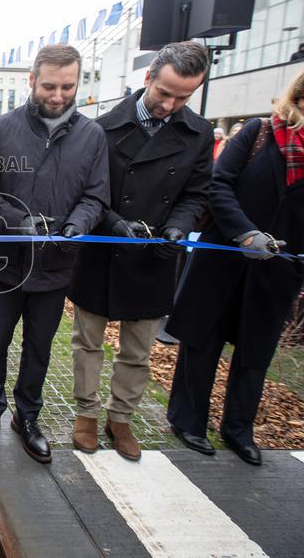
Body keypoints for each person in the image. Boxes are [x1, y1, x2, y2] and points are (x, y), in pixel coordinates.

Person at [166, 52, 304, 466]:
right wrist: (245, 231)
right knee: (201, 343)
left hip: (278, 269)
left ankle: (238, 429)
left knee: (255, 352)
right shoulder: (261, 132)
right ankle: (187, 421)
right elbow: (219, 186)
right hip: (222, 260)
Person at [68, 42, 212, 461]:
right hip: (104, 249)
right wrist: (114, 222)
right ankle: (87, 413)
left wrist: (178, 227)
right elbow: (89, 190)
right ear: (148, 77)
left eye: (183, 97)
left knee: (138, 349)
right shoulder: (101, 127)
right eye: (164, 92)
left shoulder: (199, 134)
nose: (170, 104)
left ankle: (122, 417)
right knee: (87, 342)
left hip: (156, 256)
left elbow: (197, 194)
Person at [0, 44, 109, 463]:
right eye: (49, 85)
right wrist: (16, 222)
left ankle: (27, 416)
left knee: (39, 348)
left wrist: (76, 226)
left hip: (54, 266)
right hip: (4, 264)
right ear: (31, 80)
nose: (58, 95)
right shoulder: (1, 128)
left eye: (67, 86)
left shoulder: (93, 135)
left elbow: (96, 196)